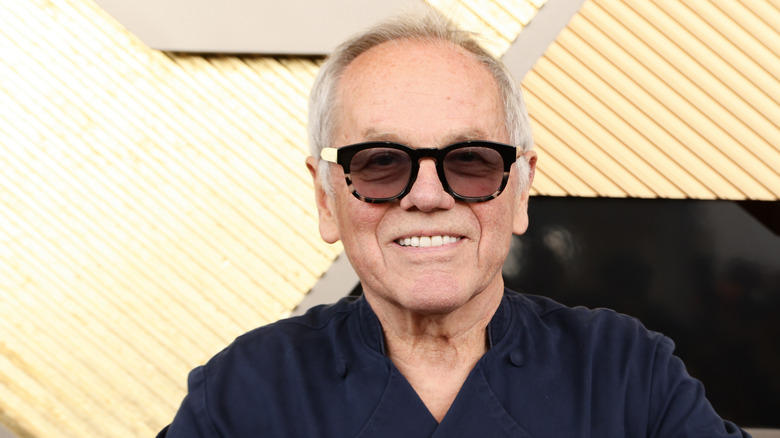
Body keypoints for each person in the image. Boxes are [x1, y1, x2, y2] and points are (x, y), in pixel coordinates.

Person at [157, 8, 749, 437]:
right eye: (381, 163)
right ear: (325, 197)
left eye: (469, 160)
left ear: (520, 189)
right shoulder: (243, 396)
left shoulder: (625, 376)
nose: (428, 196)